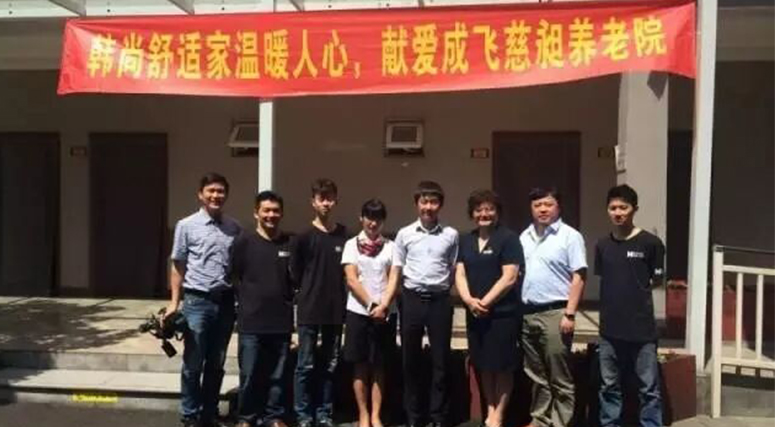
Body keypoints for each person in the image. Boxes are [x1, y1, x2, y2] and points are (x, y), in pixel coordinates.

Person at [166, 173, 241, 427]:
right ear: (201, 194)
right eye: (211, 191)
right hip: (197, 301)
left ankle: (209, 413)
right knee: (193, 362)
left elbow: (238, 267)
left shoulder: (234, 228)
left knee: (216, 363)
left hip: (225, 302)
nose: (216, 196)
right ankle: (190, 415)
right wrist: (174, 302)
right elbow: (178, 264)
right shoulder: (186, 225)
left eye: (220, 191)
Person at [389, 181, 459, 427]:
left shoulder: (451, 235)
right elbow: (397, 269)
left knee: (441, 361)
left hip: (440, 301)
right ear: (416, 204)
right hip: (412, 300)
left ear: (440, 205)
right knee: (410, 360)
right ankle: (413, 416)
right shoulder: (404, 234)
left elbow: (453, 269)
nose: (428, 207)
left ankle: (438, 416)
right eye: (424, 202)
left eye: (433, 202)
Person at [595, 184, 665, 427]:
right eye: (613, 208)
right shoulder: (602, 245)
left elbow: (657, 280)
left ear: (634, 209)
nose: (618, 213)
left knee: (648, 388)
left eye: (623, 207)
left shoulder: (651, 243)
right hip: (609, 330)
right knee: (608, 386)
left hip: (641, 330)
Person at [519, 187, 586, 427]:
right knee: (536, 374)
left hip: (556, 313)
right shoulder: (524, 236)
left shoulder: (570, 236)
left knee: (559, 374)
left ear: (558, 206)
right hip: (528, 314)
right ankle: (540, 420)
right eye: (537, 205)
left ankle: (560, 422)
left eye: (548, 204)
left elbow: (579, 276)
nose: (543, 209)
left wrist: (570, 313)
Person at [455, 190, 523, 427]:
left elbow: (510, 277)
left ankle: (499, 415)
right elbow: (460, 273)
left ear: (497, 212)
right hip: (475, 314)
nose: (484, 214)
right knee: (483, 363)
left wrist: (485, 302)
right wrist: (469, 300)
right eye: (479, 210)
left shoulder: (509, 238)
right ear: (472, 213)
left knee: (502, 366)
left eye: (489, 209)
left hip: (502, 315)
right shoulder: (466, 240)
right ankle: (490, 408)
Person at [232, 191, 294, 427]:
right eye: (266, 210)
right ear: (256, 213)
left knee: (278, 375)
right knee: (249, 374)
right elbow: (234, 276)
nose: (271, 215)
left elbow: (293, 281)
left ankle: (273, 417)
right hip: (251, 321)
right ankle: (246, 418)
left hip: (280, 321)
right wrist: (245, 303)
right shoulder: (244, 242)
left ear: (282, 214)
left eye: (276, 211)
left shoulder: (289, 243)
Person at [292, 178, 349, 427]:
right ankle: (303, 415)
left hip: (335, 311)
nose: (326, 203)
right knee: (305, 365)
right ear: (313, 202)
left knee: (330, 365)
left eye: (330, 198)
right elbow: (295, 273)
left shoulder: (344, 235)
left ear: (335, 201)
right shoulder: (303, 237)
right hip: (309, 309)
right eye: (321, 198)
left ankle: (324, 413)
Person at [341, 199, 399, 427]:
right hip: (358, 312)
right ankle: (363, 414)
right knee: (360, 364)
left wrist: (383, 306)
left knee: (379, 365)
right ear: (361, 218)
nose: (373, 223)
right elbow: (351, 279)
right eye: (369, 218)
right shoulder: (351, 245)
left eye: (378, 219)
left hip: (385, 313)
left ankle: (376, 415)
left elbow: (394, 278)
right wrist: (370, 305)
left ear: (383, 221)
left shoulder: (391, 246)